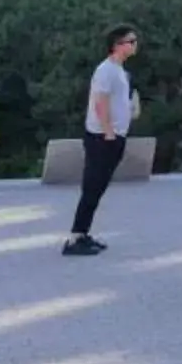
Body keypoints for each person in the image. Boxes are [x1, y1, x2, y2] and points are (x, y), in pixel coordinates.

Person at [64, 26, 138, 257]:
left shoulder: (119, 71)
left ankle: (83, 234)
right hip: (102, 137)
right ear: (117, 45)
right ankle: (75, 238)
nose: (135, 44)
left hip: (114, 135)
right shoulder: (106, 70)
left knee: (98, 188)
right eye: (131, 41)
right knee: (92, 187)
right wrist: (107, 132)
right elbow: (100, 101)